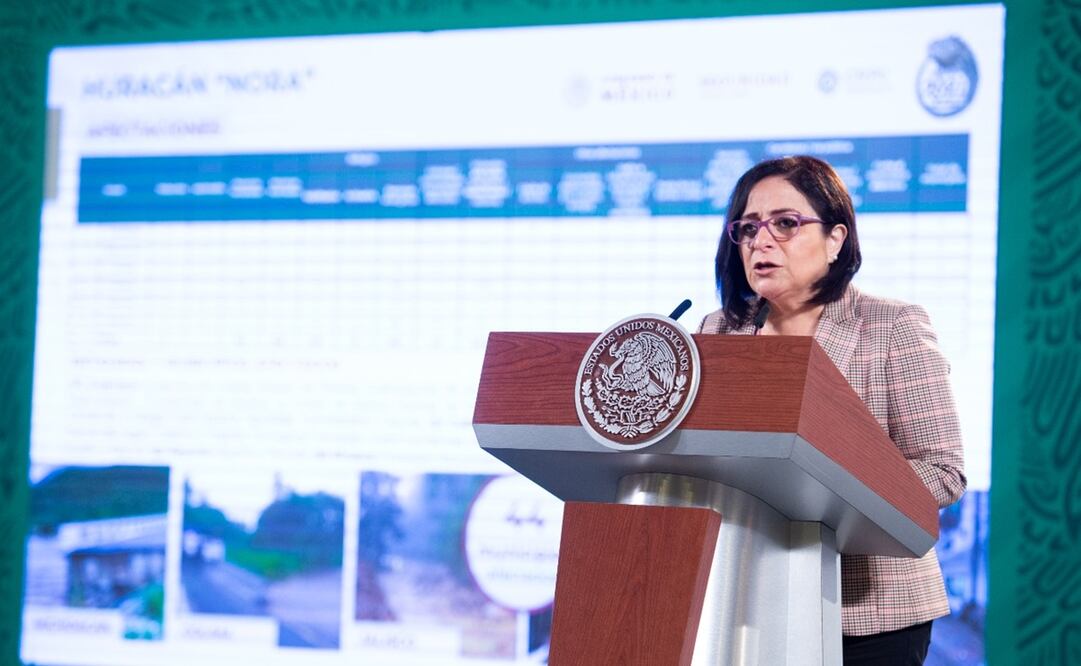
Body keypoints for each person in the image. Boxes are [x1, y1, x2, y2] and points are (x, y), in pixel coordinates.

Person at [698, 155, 966, 665]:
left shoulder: (892, 326)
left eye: (785, 223)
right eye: (748, 228)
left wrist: (832, 497)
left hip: (869, 612)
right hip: (744, 594)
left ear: (837, 239)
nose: (762, 240)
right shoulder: (717, 332)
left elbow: (943, 473)